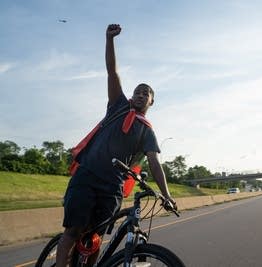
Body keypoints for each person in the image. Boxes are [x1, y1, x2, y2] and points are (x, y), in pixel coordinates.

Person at [56, 24, 176, 267]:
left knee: (94, 238)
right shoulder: (118, 105)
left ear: (152, 101)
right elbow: (112, 71)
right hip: (88, 176)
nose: (141, 95)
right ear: (132, 96)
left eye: (146, 93)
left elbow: (154, 162)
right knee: (73, 231)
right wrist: (109, 39)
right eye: (138, 92)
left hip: (112, 187)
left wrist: (166, 195)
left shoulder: (147, 131)